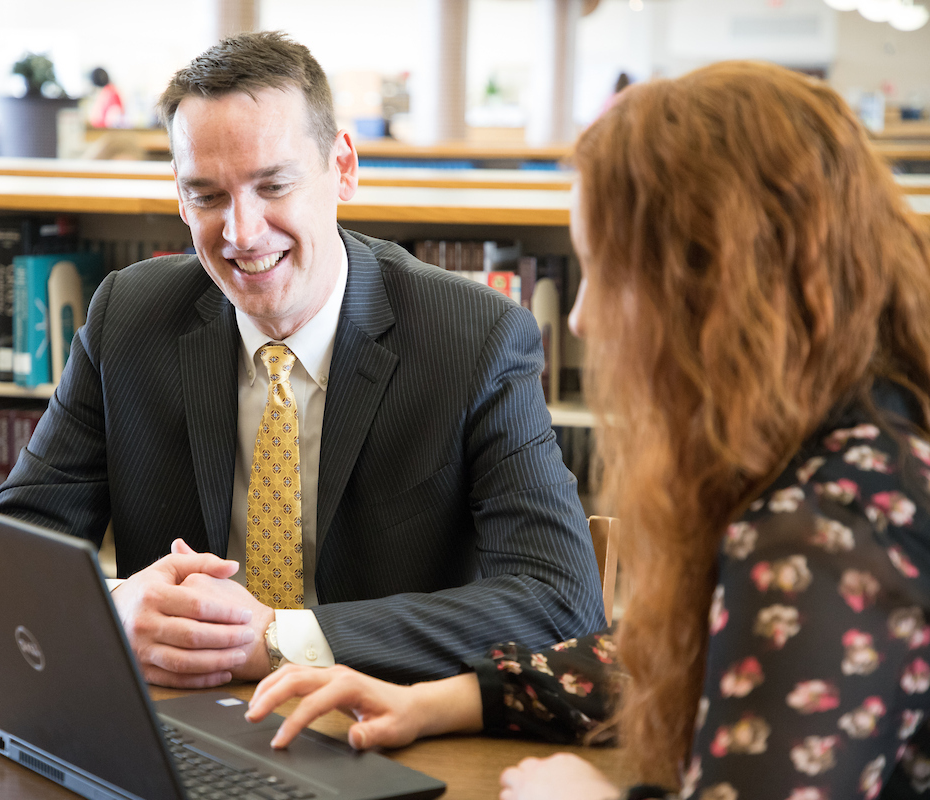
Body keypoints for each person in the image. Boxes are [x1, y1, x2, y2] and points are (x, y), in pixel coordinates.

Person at [244, 60, 930, 798]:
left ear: (719, 288)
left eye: (608, 272)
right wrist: (440, 700)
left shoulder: (824, 529)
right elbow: (673, 650)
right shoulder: (854, 439)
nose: (580, 318)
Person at [0, 31, 604, 690]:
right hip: (180, 719)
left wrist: (283, 641)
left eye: (272, 184)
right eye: (207, 195)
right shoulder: (128, 320)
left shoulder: (475, 341)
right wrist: (115, 608)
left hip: (377, 718)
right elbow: (4, 551)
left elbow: (560, 602)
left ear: (342, 169)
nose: (242, 233)